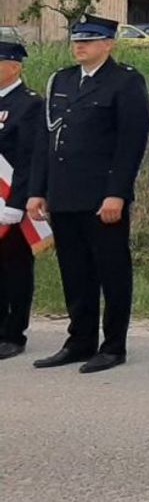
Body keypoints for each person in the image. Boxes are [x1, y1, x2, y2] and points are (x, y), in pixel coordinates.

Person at [27, 13, 149, 374]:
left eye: (88, 40)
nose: (79, 46)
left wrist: (117, 194)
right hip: (64, 194)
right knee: (75, 272)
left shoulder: (125, 82)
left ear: (108, 44)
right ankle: (80, 340)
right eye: (77, 40)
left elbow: (130, 144)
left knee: (111, 272)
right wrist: (38, 190)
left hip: (101, 197)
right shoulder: (61, 80)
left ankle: (113, 346)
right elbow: (46, 139)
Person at [0, 38, 45, 360]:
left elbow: (29, 158)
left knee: (14, 268)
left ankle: (14, 333)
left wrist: (16, 204)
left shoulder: (29, 104)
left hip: (11, 203)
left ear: (14, 67)